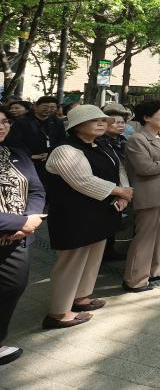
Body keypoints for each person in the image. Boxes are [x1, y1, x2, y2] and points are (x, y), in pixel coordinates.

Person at [43, 105, 133, 328]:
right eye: (95, 120)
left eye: (104, 120)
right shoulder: (65, 149)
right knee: (72, 261)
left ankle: (81, 297)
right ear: (77, 125)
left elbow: (119, 169)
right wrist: (118, 191)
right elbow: (83, 180)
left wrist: (125, 192)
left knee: (93, 256)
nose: (103, 123)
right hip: (73, 216)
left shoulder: (101, 144)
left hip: (100, 212)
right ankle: (59, 312)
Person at [0, 105, 46, 364]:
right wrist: (18, 221)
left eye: (5, 121)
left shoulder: (17, 153)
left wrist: (32, 219)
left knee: (11, 288)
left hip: (17, 238)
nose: (2, 126)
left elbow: (37, 190)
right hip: (14, 227)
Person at [123, 101, 160, 293]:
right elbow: (144, 168)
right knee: (145, 237)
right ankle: (135, 278)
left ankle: (155, 270)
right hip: (149, 193)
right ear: (146, 117)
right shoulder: (137, 139)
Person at [6, 95, 66, 183]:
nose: (49, 109)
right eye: (45, 106)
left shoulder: (57, 122)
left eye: (52, 107)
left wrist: (50, 153)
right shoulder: (22, 122)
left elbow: (61, 140)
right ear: (36, 106)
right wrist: (30, 155)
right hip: (29, 161)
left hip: (50, 160)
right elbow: (15, 142)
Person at [99, 103, 132, 261]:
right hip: (105, 186)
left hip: (122, 185)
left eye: (122, 122)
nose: (120, 125)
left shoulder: (123, 140)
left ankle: (109, 250)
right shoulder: (99, 141)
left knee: (115, 220)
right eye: (116, 122)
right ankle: (101, 253)